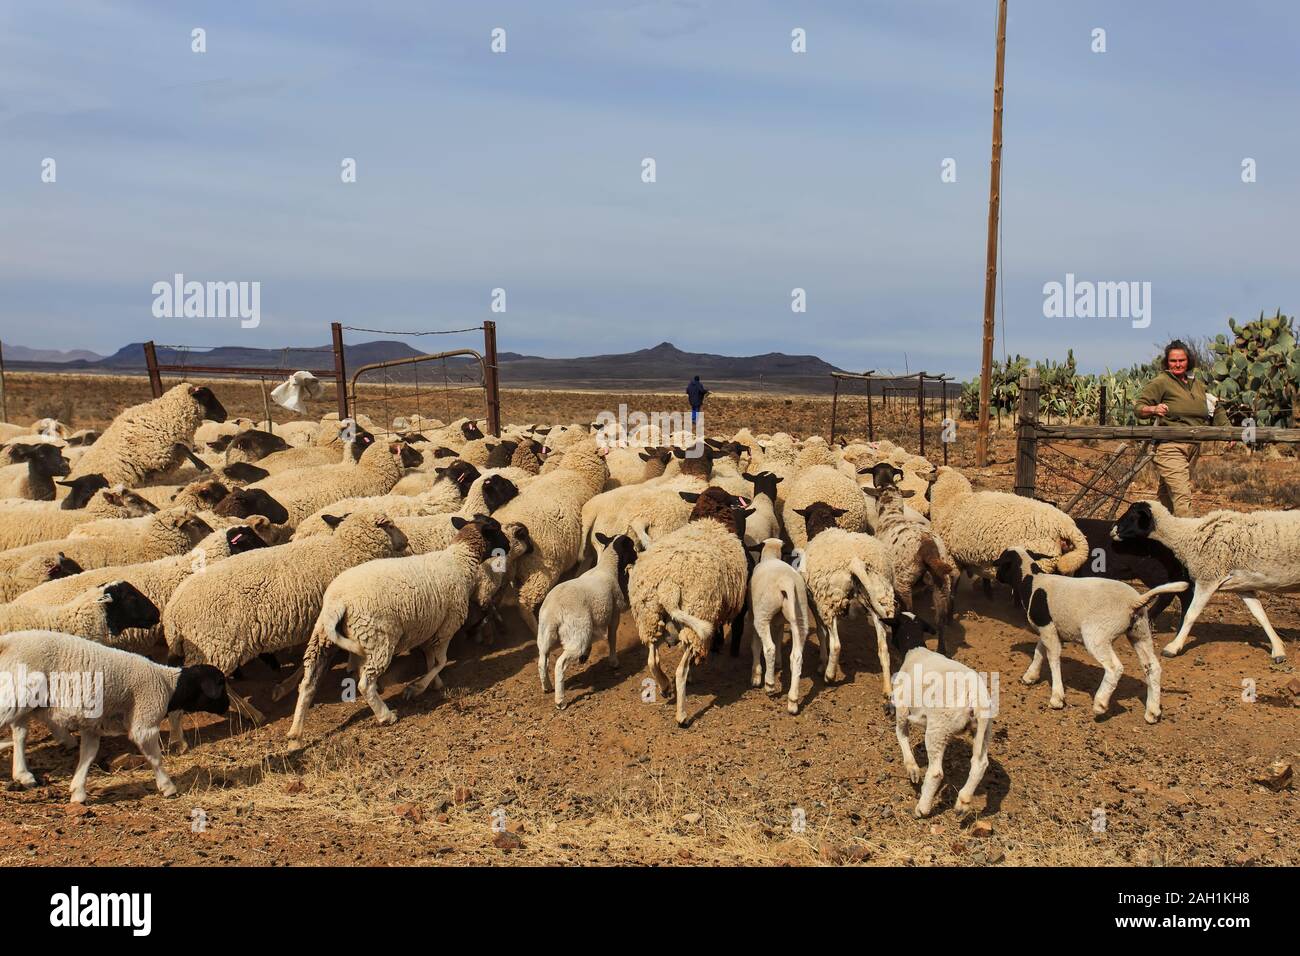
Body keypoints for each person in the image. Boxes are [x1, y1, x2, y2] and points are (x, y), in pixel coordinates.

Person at [1135, 340, 1226, 517]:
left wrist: (1228, 432)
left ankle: (1160, 536)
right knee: (1182, 496)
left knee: (1166, 495)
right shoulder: (1161, 382)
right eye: (1173, 361)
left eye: (1181, 360)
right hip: (1170, 447)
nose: (1177, 364)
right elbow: (1139, 407)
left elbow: (1216, 408)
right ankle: (1188, 539)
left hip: (1193, 447)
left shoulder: (1197, 385)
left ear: (1188, 361)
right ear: (1167, 362)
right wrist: (1153, 409)